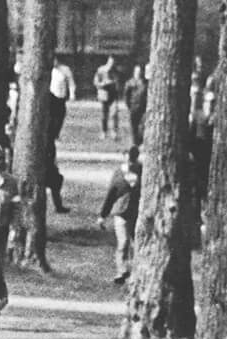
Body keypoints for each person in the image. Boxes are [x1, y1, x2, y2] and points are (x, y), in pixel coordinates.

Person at [98, 147, 140, 285]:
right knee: (124, 242)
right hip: (121, 213)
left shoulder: (143, 171)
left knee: (138, 244)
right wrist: (102, 215)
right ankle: (121, 271)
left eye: (133, 155)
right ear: (124, 156)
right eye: (128, 155)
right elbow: (110, 194)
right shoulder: (118, 173)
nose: (130, 158)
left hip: (138, 213)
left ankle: (137, 273)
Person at [94, 56, 121, 139]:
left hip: (113, 95)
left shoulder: (116, 71)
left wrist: (115, 84)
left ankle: (114, 132)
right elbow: (96, 82)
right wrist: (103, 84)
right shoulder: (101, 70)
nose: (112, 65)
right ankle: (104, 132)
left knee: (114, 113)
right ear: (108, 62)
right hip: (104, 94)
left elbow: (118, 83)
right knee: (104, 115)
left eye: (113, 63)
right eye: (110, 63)